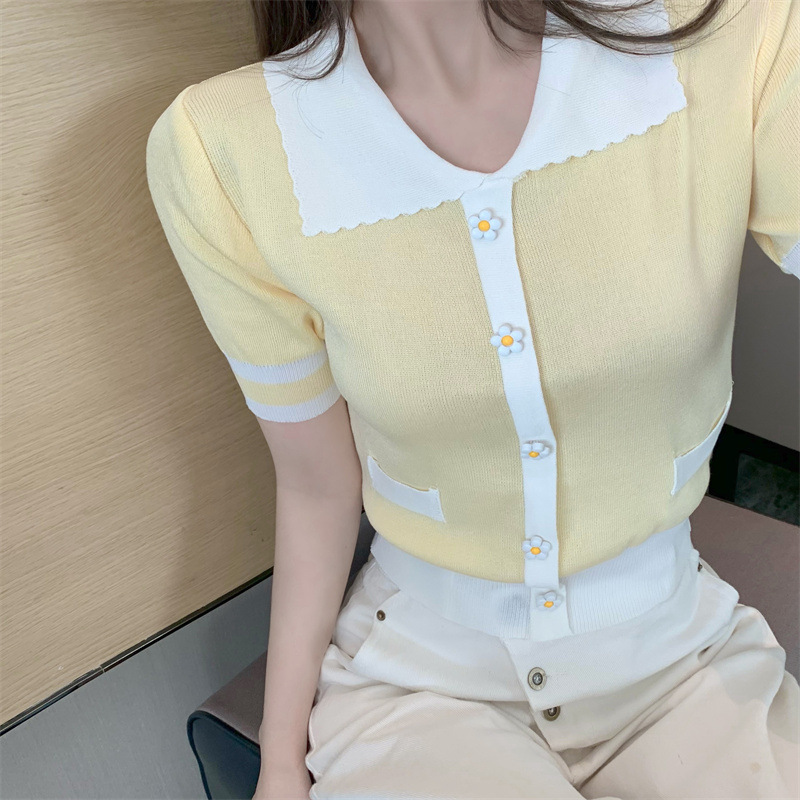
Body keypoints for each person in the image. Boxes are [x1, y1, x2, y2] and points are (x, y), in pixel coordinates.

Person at [145, 0, 800, 796]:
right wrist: (281, 763)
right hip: (421, 685)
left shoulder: (738, 30)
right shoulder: (221, 151)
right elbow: (317, 483)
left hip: (683, 657)